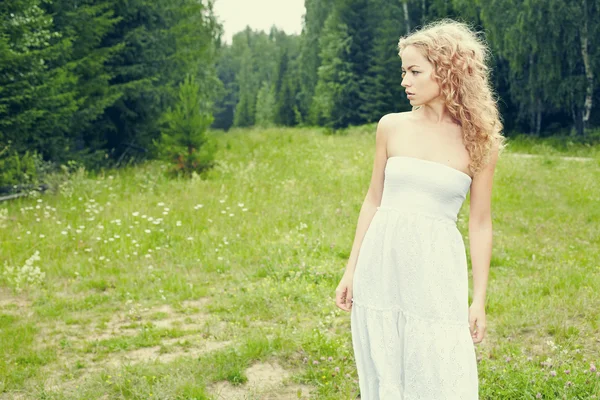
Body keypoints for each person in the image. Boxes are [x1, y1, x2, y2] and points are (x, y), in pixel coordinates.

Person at [335, 19, 506, 399]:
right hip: (381, 264)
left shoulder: (480, 142)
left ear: (446, 72)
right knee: (386, 361)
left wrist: (479, 298)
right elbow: (373, 199)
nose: (405, 82)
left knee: (439, 361)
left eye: (414, 71)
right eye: (403, 71)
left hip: (435, 270)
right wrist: (351, 270)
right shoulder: (390, 127)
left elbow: (480, 223)